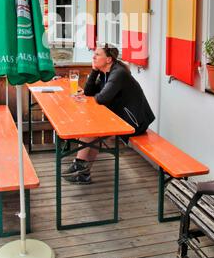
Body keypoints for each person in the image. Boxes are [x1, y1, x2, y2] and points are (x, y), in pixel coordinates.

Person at [63, 43, 155, 184]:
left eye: (97, 54)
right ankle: (82, 170)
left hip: (135, 122)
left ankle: (80, 164)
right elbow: (89, 92)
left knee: (92, 130)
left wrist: (93, 96)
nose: (93, 56)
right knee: (93, 131)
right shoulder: (106, 72)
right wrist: (94, 71)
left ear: (108, 59)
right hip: (121, 118)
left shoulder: (118, 73)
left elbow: (102, 98)